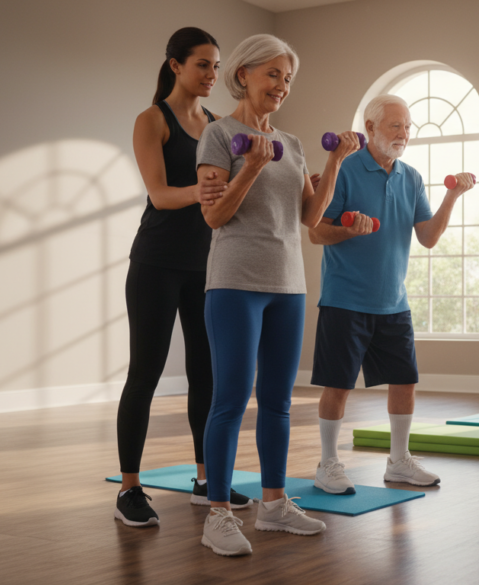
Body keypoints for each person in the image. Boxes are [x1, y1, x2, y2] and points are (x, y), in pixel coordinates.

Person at [195, 33, 359, 556]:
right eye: (273, 74)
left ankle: (273, 504)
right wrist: (251, 167)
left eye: (287, 78)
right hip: (234, 282)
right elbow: (215, 216)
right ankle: (218, 514)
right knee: (230, 398)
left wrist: (336, 163)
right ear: (243, 74)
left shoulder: (292, 143)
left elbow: (310, 217)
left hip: (288, 284)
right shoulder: (219, 135)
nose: (282, 86)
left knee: (278, 402)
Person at [116, 27, 252, 528]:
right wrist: (203, 190)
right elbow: (159, 194)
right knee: (145, 374)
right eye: (202, 64)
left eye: (216, 66)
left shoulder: (217, 125)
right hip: (155, 263)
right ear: (175, 65)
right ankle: (130, 488)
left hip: (208, 264)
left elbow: (235, 193)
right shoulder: (153, 120)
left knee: (206, 375)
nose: (212, 74)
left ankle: (205, 480)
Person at [307, 95, 475, 496]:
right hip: (345, 299)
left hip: (393, 302)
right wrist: (348, 230)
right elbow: (316, 232)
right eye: (395, 126)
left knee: (404, 382)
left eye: (408, 127)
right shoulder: (344, 169)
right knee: (338, 385)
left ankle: (399, 461)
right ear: (370, 128)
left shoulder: (411, 177)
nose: (404, 134)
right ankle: (327, 464)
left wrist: (452, 196)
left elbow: (428, 237)